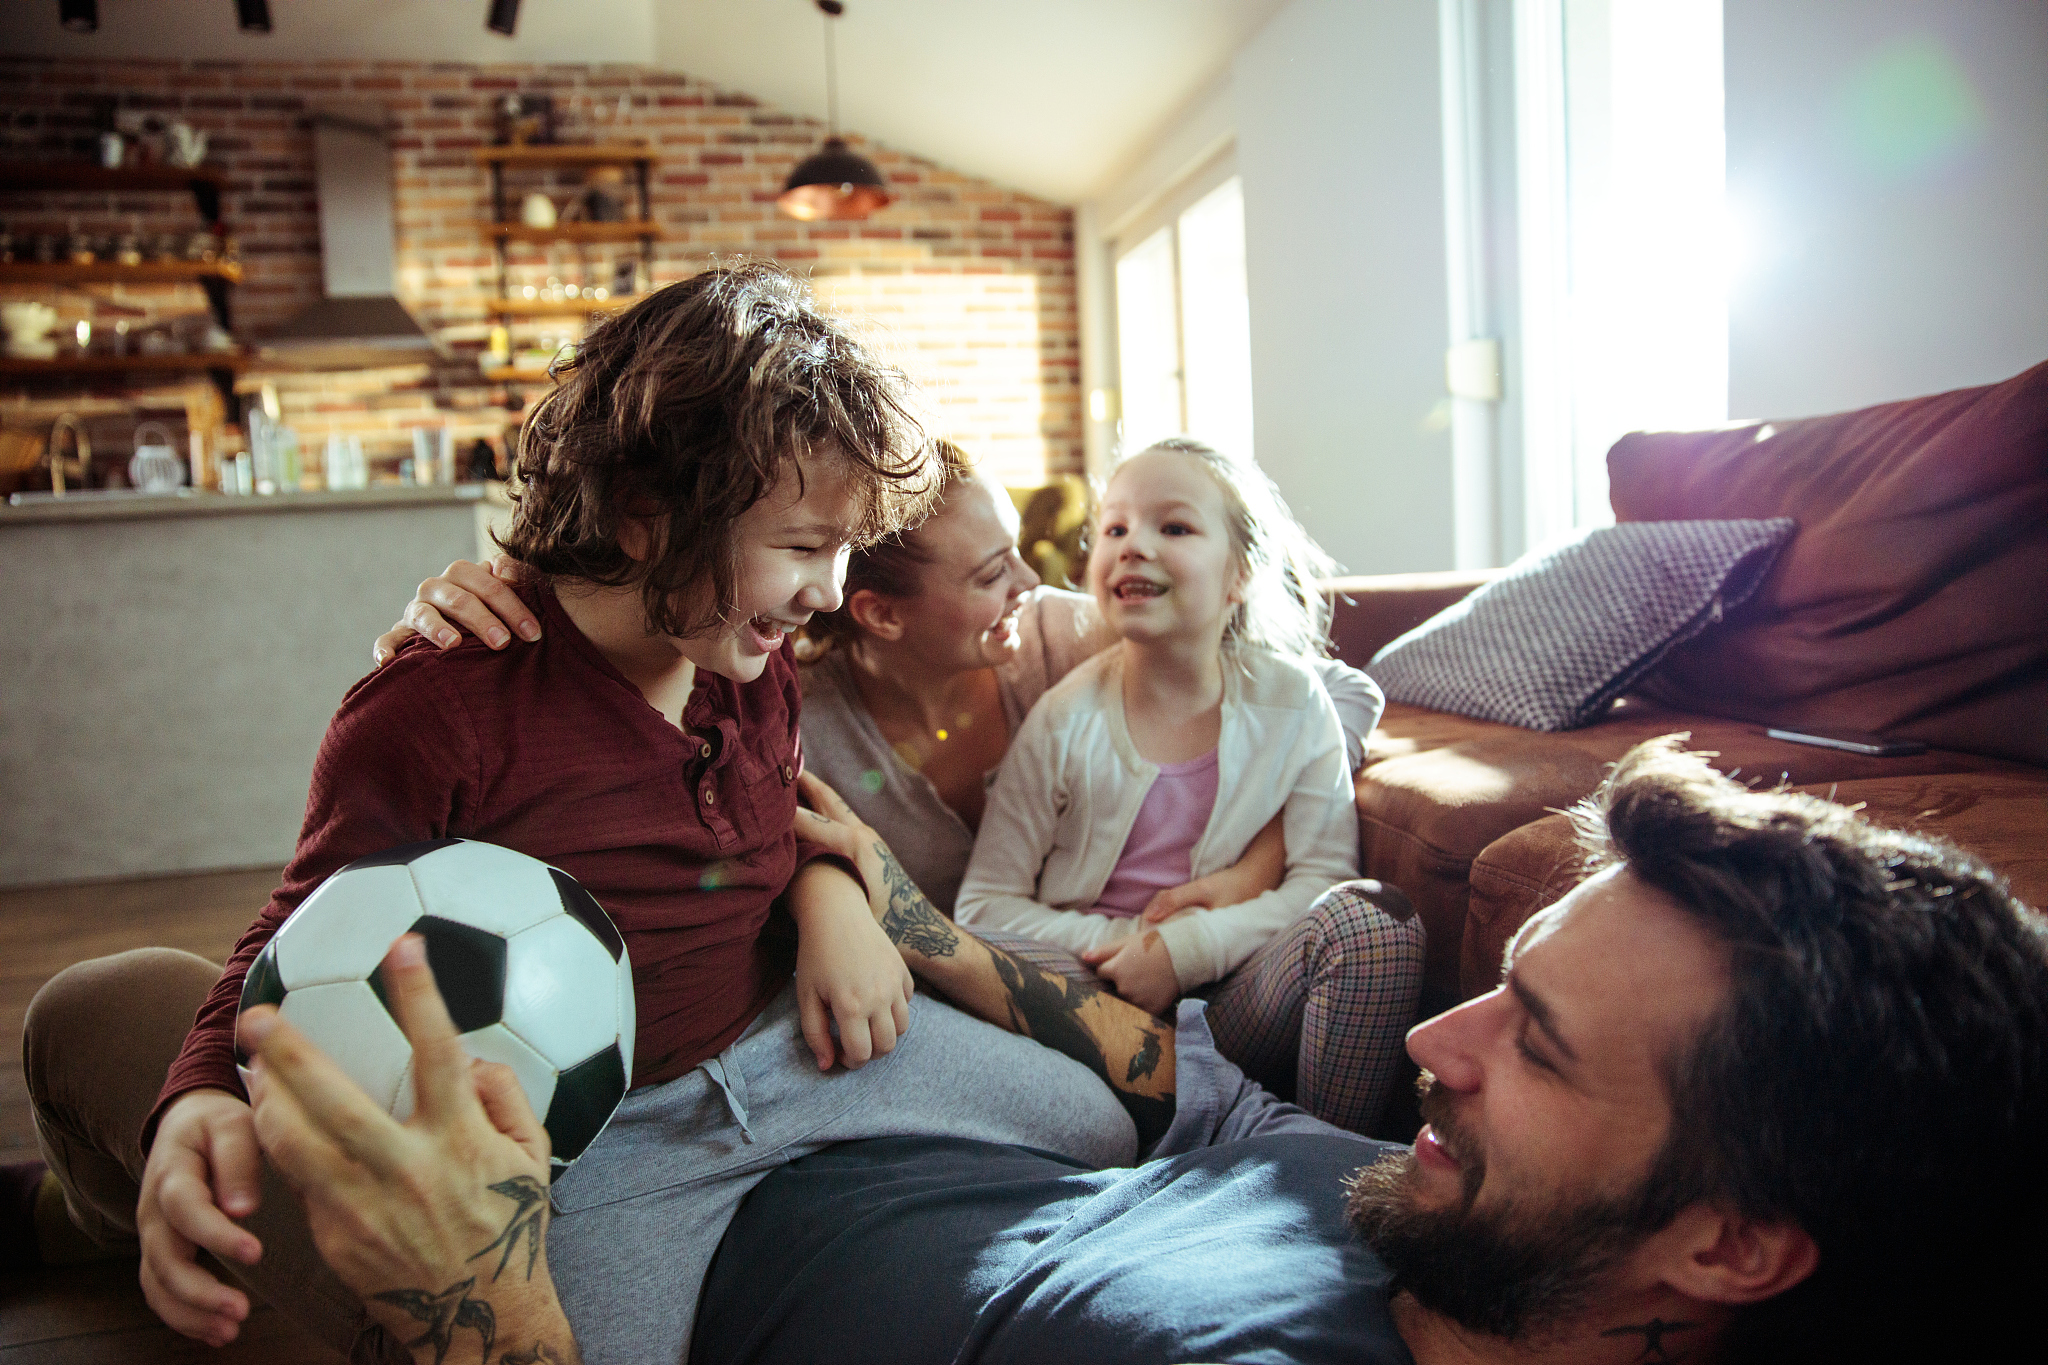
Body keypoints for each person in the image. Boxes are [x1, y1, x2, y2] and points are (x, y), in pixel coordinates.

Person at [26, 263, 1138, 1364]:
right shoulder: (441, 706)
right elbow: (295, 933)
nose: (832, 591)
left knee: (1095, 1120)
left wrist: (831, 897)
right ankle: (72, 1218)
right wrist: (198, 1093)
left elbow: (772, 824)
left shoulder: (750, 660)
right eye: (804, 548)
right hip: (607, 1139)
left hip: (788, 1051)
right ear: (648, 516)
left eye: (844, 550)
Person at [241, 738, 2048, 1365]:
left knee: (136, 1015)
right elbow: (1176, 1081)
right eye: (1501, 986)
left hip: (599, 1253)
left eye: (1543, 1044)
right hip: (874, 1100)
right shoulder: (1459, 1219)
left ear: (1734, 1244)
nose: (1436, 1038)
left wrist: (468, 1301)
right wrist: (903, 910)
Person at [377, 439, 1423, 1134]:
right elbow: (747, 839)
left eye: (1022, 556)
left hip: (1126, 972)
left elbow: (1322, 692)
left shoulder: (1062, 634)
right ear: (873, 611)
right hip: (970, 997)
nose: (1031, 584)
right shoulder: (783, 698)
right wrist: (495, 608)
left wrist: (1250, 871)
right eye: (992, 573)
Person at [953, 440, 1367, 1018]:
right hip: (1094, 988)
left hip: (1238, 980)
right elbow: (983, 906)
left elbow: (1324, 877)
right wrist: (1133, 946)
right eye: (1115, 529)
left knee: (1372, 926)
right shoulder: (1062, 719)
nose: (1133, 546)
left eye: (1174, 528)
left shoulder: (1294, 702)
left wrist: (1191, 949)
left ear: (1242, 573)